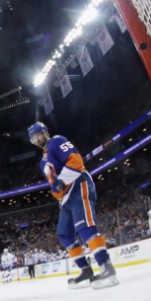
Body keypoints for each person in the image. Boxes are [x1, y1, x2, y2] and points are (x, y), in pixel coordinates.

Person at [27, 122, 118, 289]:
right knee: (64, 234)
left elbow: (75, 161)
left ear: (45, 133)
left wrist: (62, 181)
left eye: (39, 134)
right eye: (33, 137)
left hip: (78, 185)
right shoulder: (42, 161)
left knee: (85, 227)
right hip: (66, 198)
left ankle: (107, 267)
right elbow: (53, 183)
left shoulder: (57, 141)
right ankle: (86, 270)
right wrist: (58, 193)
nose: (37, 138)